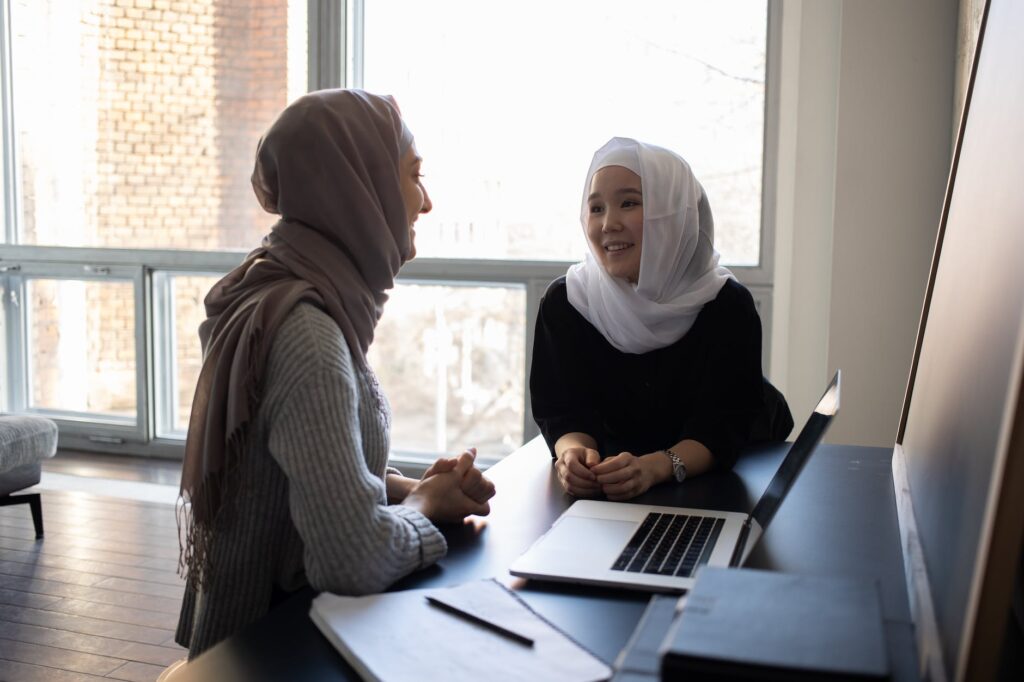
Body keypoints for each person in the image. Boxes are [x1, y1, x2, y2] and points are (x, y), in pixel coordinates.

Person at [174, 89, 496, 658]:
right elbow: (349, 558)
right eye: (414, 175)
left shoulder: (285, 288)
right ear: (359, 182)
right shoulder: (307, 331)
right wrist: (429, 507)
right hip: (271, 654)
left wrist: (406, 486)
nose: (425, 202)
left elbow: (285, 477)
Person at [530, 137, 792, 501]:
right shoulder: (568, 302)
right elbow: (562, 410)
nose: (608, 223)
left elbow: (722, 425)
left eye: (629, 203)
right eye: (596, 208)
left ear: (673, 213)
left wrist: (657, 466)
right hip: (606, 500)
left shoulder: (726, 305)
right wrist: (571, 454)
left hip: (712, 489)